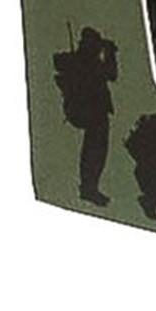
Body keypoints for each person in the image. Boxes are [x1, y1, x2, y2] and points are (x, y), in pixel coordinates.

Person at [52, 25, 118, 207]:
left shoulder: (91, 61)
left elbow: (112, 75)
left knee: (97, 150)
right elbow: (59, 62)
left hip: (96, 110)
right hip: (86, 110)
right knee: (94, 151)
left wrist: (110, 53)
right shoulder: (80, 61)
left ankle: (90, 188)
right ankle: (89, 188)